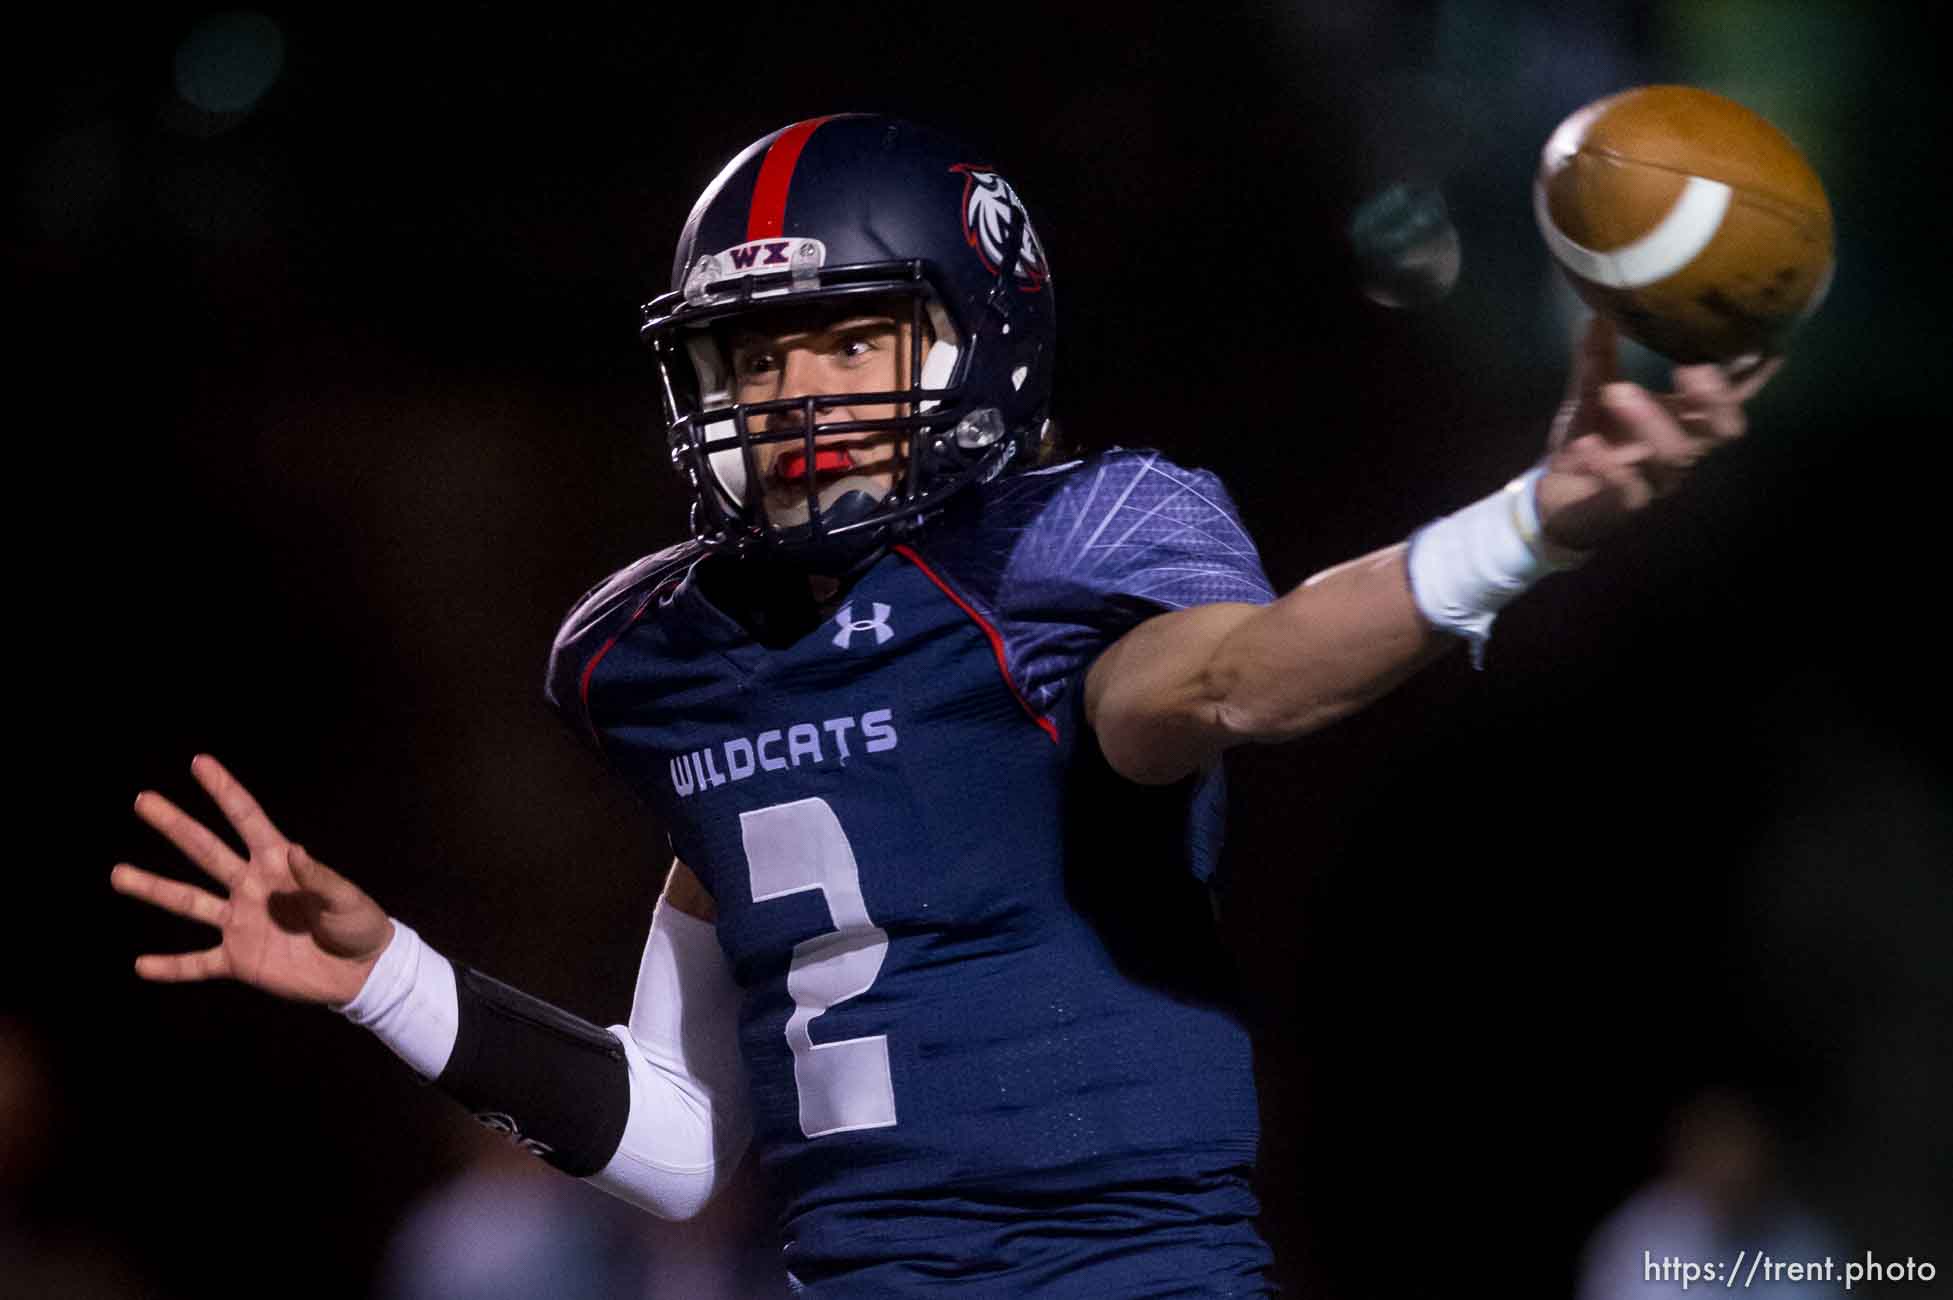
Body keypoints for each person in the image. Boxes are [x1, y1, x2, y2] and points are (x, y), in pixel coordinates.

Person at [111, 115, 1780, 1296]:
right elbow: (684, 1143)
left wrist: (1531, 525)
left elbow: (1237, 680)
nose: (789, 393)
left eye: (843, 338)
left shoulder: (1074, 551)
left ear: (976, 341)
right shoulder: (663, 661)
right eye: (750, 357)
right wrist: (386, 979)